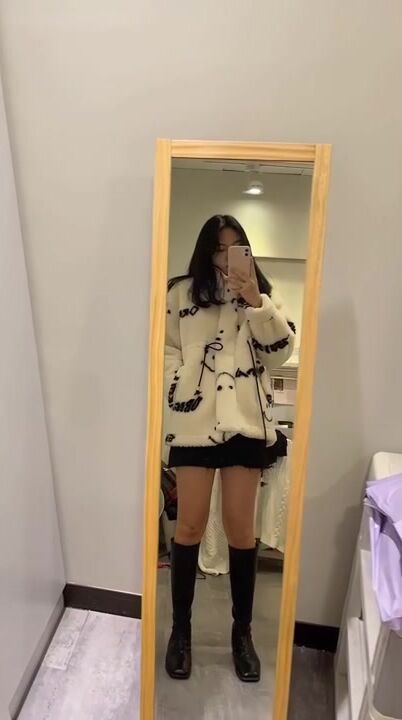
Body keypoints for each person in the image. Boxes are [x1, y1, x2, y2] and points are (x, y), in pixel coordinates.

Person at [164, 214, 295, 682]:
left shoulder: (263, 293)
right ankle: (180, 632)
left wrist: (256, 302)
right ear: (206, 250)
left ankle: (242, 634)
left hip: (244, 423)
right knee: (189, 526)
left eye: (236, 246)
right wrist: (179, 384)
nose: (226, 256)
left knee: (241, 531)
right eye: (219, 247)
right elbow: (166, 351)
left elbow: (280, 353)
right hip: (195, 422)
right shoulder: (180, 294)